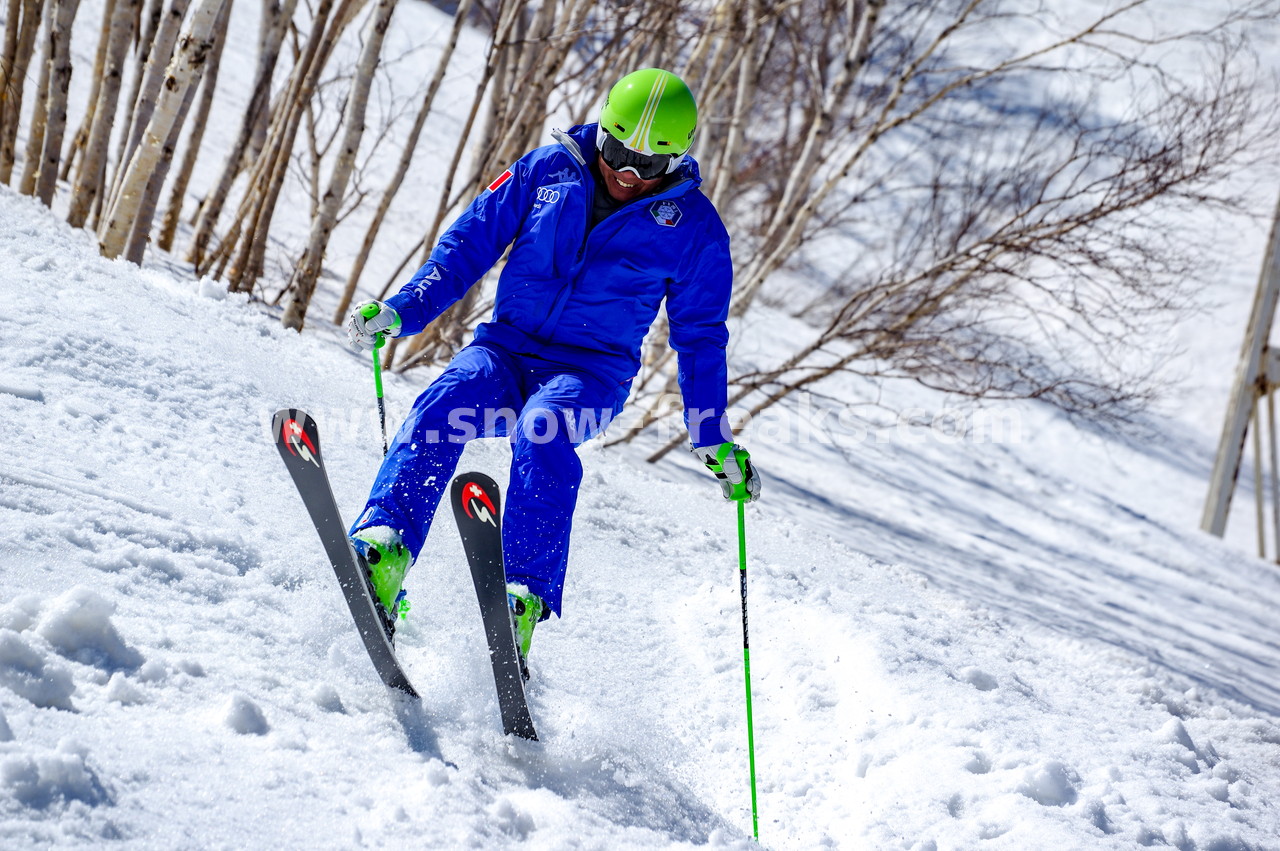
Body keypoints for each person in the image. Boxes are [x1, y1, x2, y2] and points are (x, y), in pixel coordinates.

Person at [345, 68, 761, 672]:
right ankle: (384, 548)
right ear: (601, 132)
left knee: (543, 429)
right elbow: (469, 245)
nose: (627, 173)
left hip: (590, 377)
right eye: (618, 152)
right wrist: (403, 311)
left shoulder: (694, 229)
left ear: (676, 157)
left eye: (647, 166)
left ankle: (521, 602)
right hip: (505, 350)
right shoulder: (546, 170)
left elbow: (700, 338)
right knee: (446, 400)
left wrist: (710, 437)